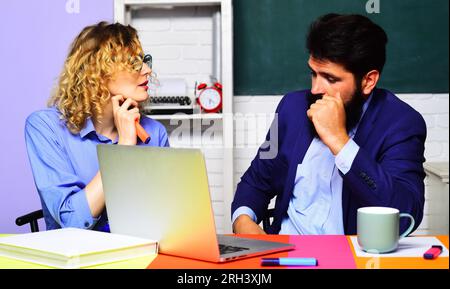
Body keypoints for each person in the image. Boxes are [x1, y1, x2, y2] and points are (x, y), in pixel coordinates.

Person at [231, 14, 426, 235]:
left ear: (368, 80)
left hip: (352, 258)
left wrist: (339, 141)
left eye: (330, 79)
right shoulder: (291, 108)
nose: (315, 89)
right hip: (284, 253)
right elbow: (257, 180)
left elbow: (405, 215)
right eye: (313, 74)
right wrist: (243, 220)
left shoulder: (401, 123)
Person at [25, 22, 169, 232]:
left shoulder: (154, 133)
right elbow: (72, 222)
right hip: (76, 259)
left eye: (145, 61)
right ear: (98, 73)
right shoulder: (45, 127)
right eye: (134, 63)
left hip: (138, 254)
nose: (147, 70)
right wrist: (124, 148)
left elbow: (166, 219)